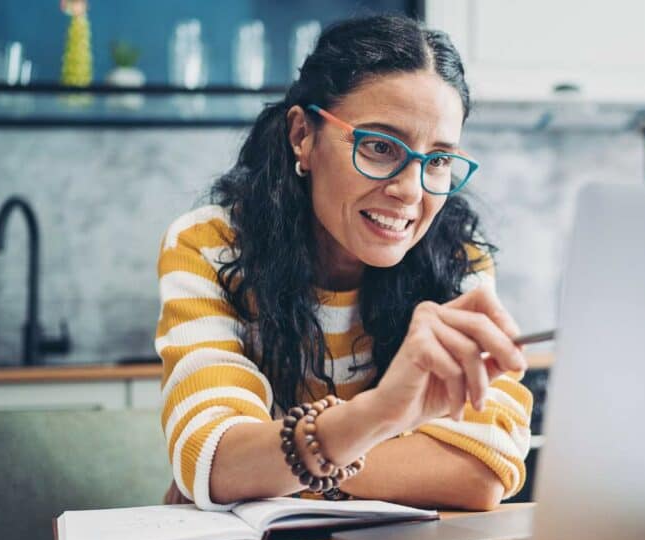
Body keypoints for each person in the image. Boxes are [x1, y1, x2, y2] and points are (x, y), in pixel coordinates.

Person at [155, 15, 533, 512]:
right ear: (302, 136)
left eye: (438, 160)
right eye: (379, 147)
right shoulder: (212, 244)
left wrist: (281, 467)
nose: (410, 191)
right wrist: (378, 417)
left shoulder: (460, 255)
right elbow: (215, 460)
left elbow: (482, 473)